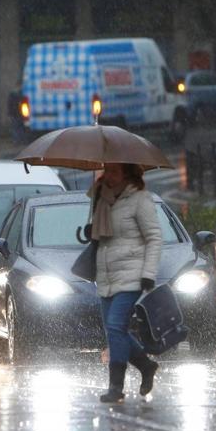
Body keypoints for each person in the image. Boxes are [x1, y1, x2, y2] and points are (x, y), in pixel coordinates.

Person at [90, 163, 162, 404]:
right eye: (106, 171)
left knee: (115, 327)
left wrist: (148, 273)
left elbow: (154, 237)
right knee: (115, 330)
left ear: (127, 174)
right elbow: (101, 238)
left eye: (113, 171)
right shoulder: (102, 198)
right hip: (106, 274)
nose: (107, 175)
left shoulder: (140, 199)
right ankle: (146, 366)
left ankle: (116, 388)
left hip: (132, 274)